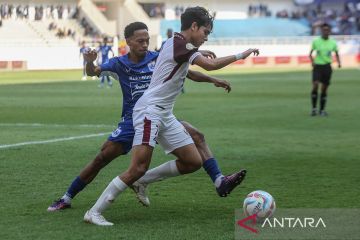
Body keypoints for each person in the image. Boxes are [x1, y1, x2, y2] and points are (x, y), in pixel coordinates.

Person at [84, 7, 259, 226]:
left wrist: (207, 74)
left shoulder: (176, 44)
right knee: (137, 167)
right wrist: (243, 54)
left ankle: (143, 182)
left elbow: (187, 67)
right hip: (150, 112)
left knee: (193, 161)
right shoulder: (180, 45)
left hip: (163, 113)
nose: (206, 37)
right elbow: (211, 65)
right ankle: (95, 212)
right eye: (205, 32)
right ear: (193, 27)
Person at [47, 22, 245, 212]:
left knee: (196, 136)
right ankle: (67, 197)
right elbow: (94, 72)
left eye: (146, 40)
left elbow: (187, 72)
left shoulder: (155, 57)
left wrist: (213, 79)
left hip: (159, 115)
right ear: (128, 42)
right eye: (139, 41)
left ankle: (219, 181)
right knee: (102, 158)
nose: (144, 44)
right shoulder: (118, 63)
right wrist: (90, 62)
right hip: (133, 120)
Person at [309, 23, 341, 116]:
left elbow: (336, 53)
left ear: (329, 31)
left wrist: (339, 62)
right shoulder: (316, 42)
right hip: (317, 66)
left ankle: (322, 110)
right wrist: (312, 62)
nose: (325, 31)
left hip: (327, 67)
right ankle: (314, 109)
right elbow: (310, 53)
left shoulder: (333, 42)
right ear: (321, 31)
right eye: (324, 30)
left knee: (324, 89)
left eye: (327, 30)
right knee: (315, 85)